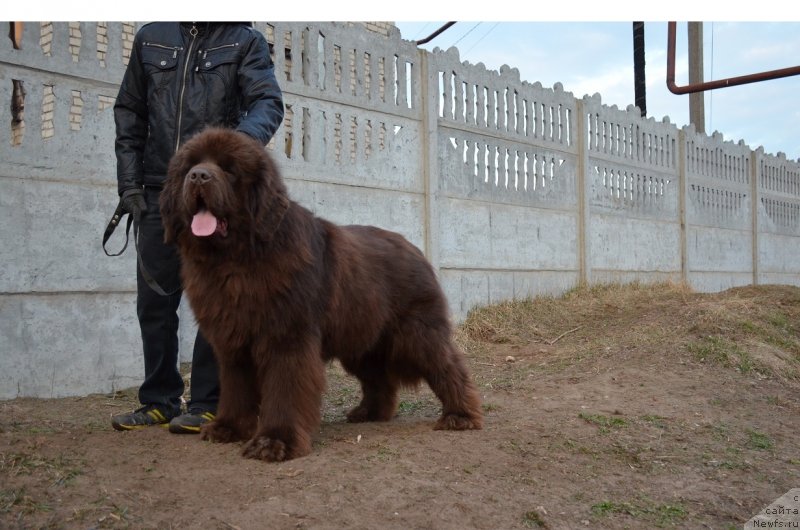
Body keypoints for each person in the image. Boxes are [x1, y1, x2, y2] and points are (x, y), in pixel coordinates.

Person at [110, 22, 284, 433]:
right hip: (162, 191)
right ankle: (158, 399)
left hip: (219, 197)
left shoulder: (245, 41)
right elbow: (129, 112)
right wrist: (130, 184)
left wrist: (230, 156)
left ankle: (209, 401)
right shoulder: (151, 37)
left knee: (217, 301)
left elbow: (267, 102)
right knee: (153, 303)